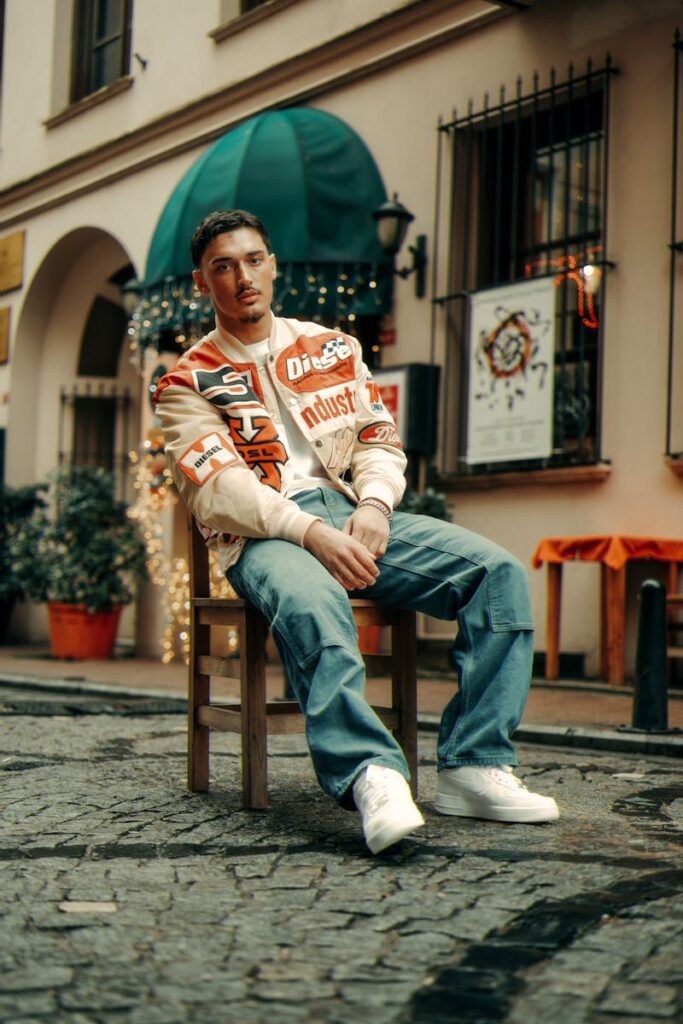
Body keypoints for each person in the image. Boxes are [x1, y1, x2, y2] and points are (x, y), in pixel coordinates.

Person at [154, 208, 559, 855]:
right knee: (314, 601)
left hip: (351, 511)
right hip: (260, 535)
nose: (242, 277)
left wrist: (374, 505)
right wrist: (309, 532)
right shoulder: (184, 381)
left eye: (253, 260)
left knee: (496, 574)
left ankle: (474, 765)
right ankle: (370, 773)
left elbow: (377, 439)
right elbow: (218, 490)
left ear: (272, 265)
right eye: (223, 267)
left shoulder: (332, 349)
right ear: (203, 283)